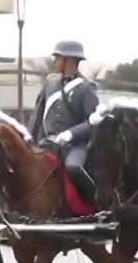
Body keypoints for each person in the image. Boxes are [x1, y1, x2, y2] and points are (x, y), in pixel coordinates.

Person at [27, 40, 100, 204]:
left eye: (58, 57)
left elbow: (94, 122)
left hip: (75, 145)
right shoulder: (50, 82)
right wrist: (29, 138)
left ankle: (97, 204)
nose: (55, 61)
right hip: (47, 142)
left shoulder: (86, 87)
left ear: (69, 60)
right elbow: (38, 114)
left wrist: (70, 134)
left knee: (73, 168)